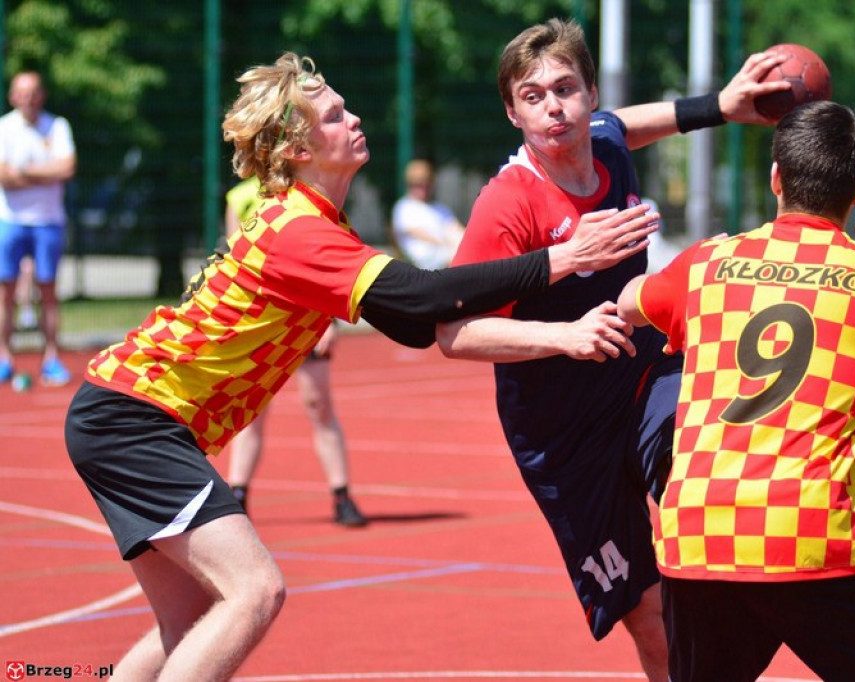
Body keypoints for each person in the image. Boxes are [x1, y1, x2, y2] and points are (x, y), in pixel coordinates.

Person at [63, 52, 658, 681]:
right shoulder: (296, 230)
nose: (355, 120)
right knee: (255, 591)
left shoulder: (320, 227)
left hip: (128, 417)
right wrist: (562, 259)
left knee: (195, 623)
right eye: (335, 115)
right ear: (298, 148)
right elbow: (426, 298)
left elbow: (413, 320)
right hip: (134, 420)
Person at [435, 18, 788, 681]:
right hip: (563, 437)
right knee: (648, 616)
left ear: (590, 93)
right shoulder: (506, 206)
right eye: (533, 96)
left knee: (712, 492)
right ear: (512, 111)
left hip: (644, 380)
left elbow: (628, 125)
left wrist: (718, 107)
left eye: (566, 89)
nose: (554, 108)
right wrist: (564, 334)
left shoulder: (605, 143)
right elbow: (453, 334)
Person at [617, 101, 855, 682]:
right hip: (808, 535)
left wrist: (687, 268)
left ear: (775, 177)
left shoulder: (710, 263)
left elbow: (633, 301)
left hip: (699, 532)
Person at [223, 175, 366, 527]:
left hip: (307, 317)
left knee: (319, 405)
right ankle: (238, 494)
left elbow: (330, 264)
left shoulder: (309, 195)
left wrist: (329, 321)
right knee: (251, 411)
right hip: (261, 324)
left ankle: (342, 495)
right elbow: (233, 263)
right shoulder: (240, 197)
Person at [0, 70, 76, 385]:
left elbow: (67, 167)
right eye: (22, 92)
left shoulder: (57, 126)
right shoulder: (4, 128)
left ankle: (52, 359)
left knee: (48, 292)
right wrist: (45, 173)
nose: (28, 98)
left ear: (41, 95)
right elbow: (3, 176)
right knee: (5, 293)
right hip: (10, 221)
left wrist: (24, 173)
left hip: (48, 222)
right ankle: (4, 357)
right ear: (13, 96)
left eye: (33, 92)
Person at [391, 159, 465, 269]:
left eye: (426, 182)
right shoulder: (404, 207)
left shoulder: (440, 209)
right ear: (409, 184)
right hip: (423, 260)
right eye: (418, 184)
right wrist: (444, 242)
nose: (423, 188)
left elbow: (455, 228)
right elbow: (415, 232)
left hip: (447, 252)